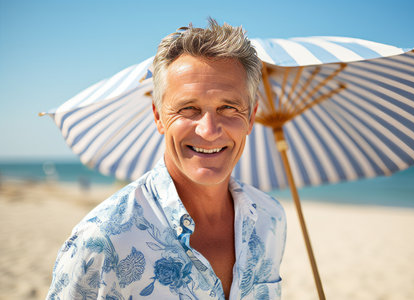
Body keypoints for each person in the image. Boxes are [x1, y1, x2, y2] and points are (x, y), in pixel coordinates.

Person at [47, 19, 286, 300]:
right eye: (188, 108)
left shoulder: (270, 218)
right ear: (159, 116)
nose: (208, 130)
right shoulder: (103, 241)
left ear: (251, 116)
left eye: (228, 107)